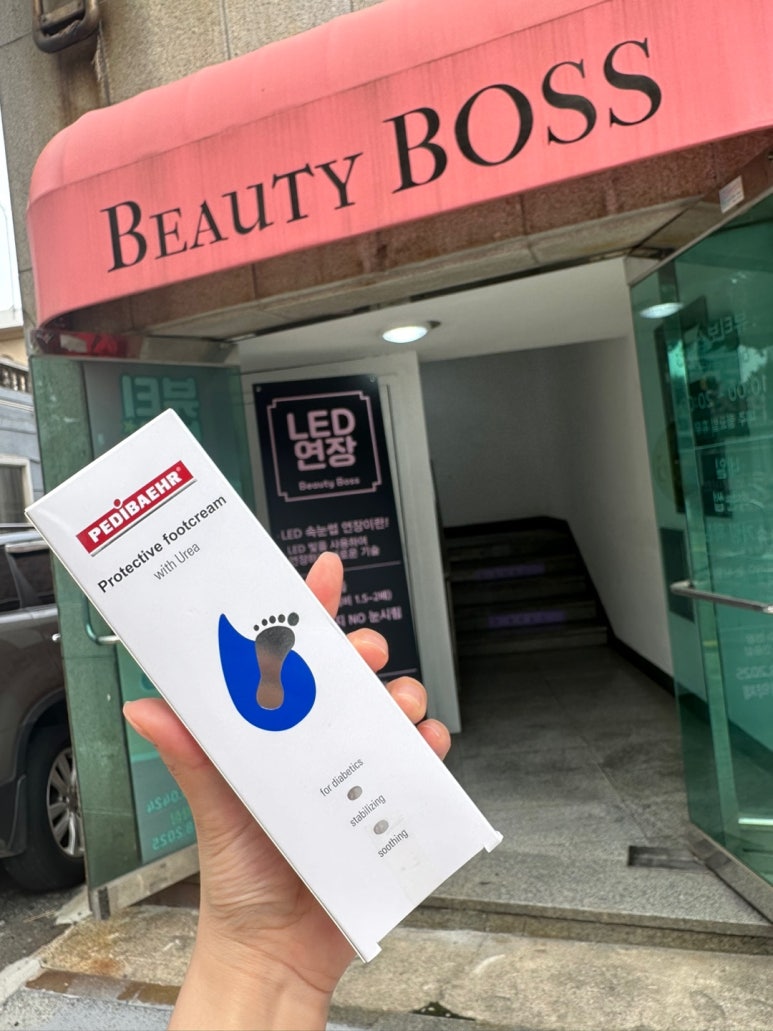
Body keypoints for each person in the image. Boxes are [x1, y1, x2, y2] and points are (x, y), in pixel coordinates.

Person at [122, 550, 451, 1031]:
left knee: (339, 712)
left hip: (257, 958)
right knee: (337, 714)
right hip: (266, 931)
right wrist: (260, 949)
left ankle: (300, 722)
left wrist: (257, 954)